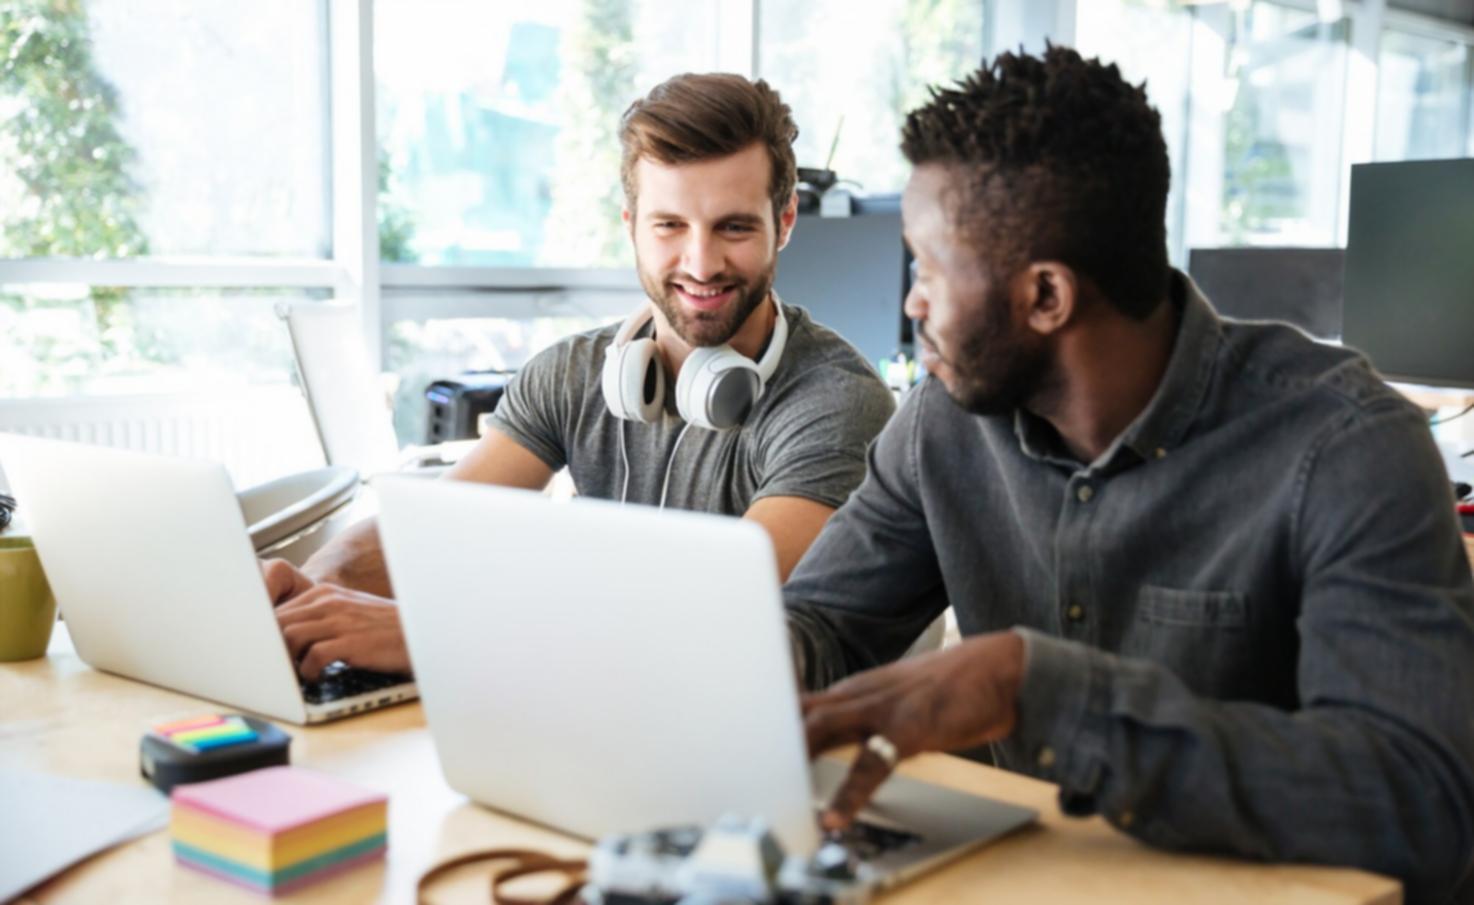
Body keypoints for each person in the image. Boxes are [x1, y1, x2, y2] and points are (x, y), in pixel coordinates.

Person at [787, 45, 1474, 902]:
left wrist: (1034, 690)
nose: (910, 303)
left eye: (926, 268)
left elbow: (1420, 802)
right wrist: (766, 655)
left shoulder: (1347, 447)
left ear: (1046, 297)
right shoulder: (943, 424)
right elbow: (824, 621)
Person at [263, 72, 894, 682]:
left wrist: (431, 635)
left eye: (733, 227)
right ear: (632, 228)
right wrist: (314, 588)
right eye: (669, 225)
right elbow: (436, 529)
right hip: (588, 714)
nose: (701, 263)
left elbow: (717, 609)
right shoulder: (572, 373)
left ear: (783, 223)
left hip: (759, 742)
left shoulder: (837, 401)